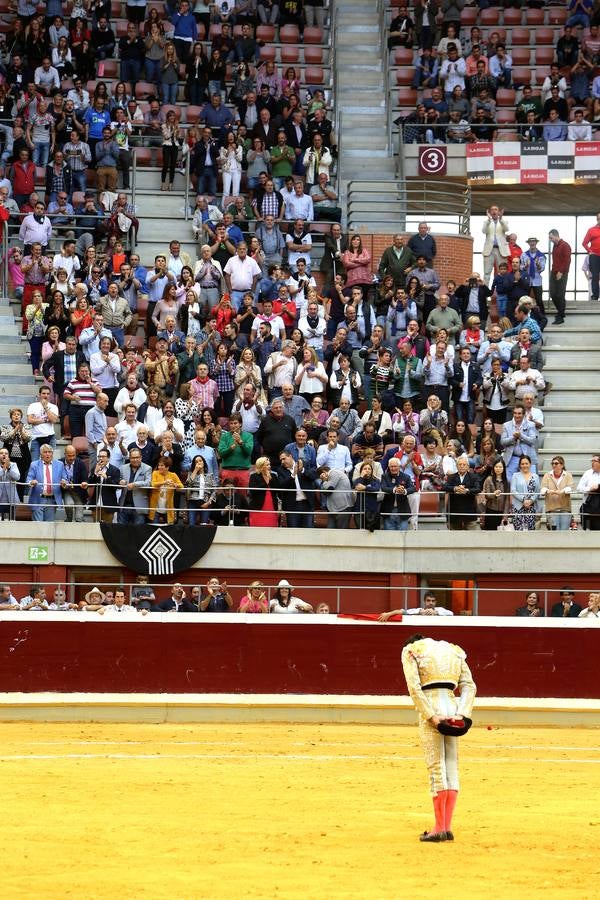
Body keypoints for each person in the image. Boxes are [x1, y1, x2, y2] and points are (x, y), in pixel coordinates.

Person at [377, 632, 476, 843]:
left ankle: (438, 828)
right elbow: (469, 685)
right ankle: (447, 827)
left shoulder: (411, 650)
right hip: (453, 706)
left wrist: (431, 716)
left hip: (432, 706)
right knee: (451, 765)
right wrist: (463, 715)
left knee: (436, 767)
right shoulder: (454, 650)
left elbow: (414, 687)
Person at [541, 456, 574, 531]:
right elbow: (543, 489)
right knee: (554, 531)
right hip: (552, 508)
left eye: (556, 463)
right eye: (552, 463)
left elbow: (570, 488)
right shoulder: (547, 475)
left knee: (564, 531)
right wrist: (548, 491)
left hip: (565, 508)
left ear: (562, 465)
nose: (554, 465)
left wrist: (561, 491)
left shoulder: (568, 475)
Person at [509, 455, 540, 532]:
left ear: (530, 464)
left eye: (526, 463)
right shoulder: (515, 475)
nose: (524, 465)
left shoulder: (535, 476)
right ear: (520, 465)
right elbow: (513, 490)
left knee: (530, 531)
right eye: (522, 464)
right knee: (518, 531)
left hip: (531, 507)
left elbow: (537, 491)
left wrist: (531, 500)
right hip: (518, 507)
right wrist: (523, 499)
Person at [548, 229, 572, 325]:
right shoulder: (555, 246)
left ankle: (560, 315)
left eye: (551, 237)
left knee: (560, 294)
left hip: (562, 273)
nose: (550, 240)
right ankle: (561, 312)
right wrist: (554, 271)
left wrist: (561, 272)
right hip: (553, 272)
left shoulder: (565, 245)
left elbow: (567, 260)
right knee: (553, 293)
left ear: (556, 235)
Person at [481, 205, 509, 286]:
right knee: (486, 273)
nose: (494, 211)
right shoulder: (487, 222)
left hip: (501, 251)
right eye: (492, 210)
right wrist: (489, 220)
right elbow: (484, 231)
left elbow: (506, 229)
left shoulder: (503, 221)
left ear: (498, 212)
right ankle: (485, 294)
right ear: (489, 212)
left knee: (503, 272)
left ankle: (502, 292)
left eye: (496, 209)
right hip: (489, 250)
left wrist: (501, 219)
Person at [577, 455, 600, 530]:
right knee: (587, 532)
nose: (592, 463)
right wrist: (590, 488)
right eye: (591, 461)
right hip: (588, 507)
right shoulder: (587, 473)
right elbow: (579, 488)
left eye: (594, 461)